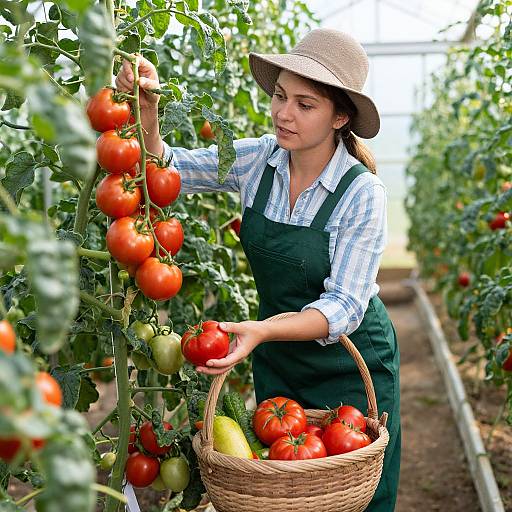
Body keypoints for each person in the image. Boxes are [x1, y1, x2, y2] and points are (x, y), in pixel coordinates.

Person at [116, 28, 401, 511]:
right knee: (279, 494)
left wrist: (261, 330)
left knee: (351, 495)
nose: (283, 113)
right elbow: (166, 168)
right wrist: (148, 115)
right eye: (280, 96)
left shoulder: (361, 194)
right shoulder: (258, 160)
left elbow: (345, 307)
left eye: (304, 105)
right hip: (279, 360)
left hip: (351, 363)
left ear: (340, 116)